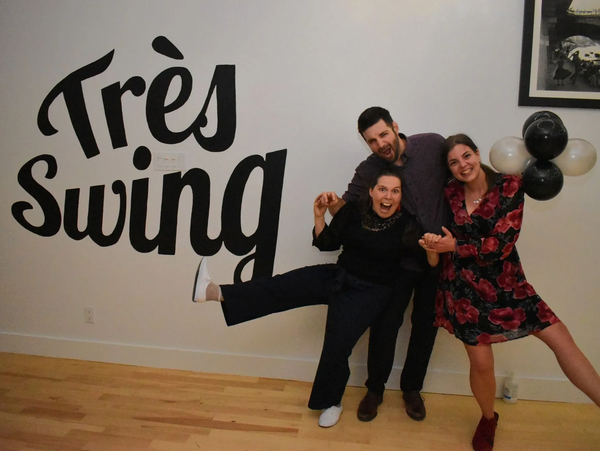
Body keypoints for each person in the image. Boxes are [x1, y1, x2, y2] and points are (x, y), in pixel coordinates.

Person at [193, 168, 438, 428]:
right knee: (282, 286)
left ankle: (332, 402)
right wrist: (319, 216)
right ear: (372, 192)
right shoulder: (353, 211)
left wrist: (433, 249)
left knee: (337, 344)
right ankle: (214, 292)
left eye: (395, 191)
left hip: (370, 292)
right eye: (383, 189)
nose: (388, 196)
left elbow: (428, 262)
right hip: (337, 275)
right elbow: (327, 243)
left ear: (400, 197)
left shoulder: (407, 225)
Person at [420, 133, 600, 451]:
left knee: (562, 339)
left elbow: (500, 245)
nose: (462, 165)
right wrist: (435, 245)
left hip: (508, 284)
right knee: (481, 363)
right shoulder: (449, 191)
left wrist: (455, 245)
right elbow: (437, 230)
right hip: (464, 290)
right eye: (454, 162)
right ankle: (488, 418)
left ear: (477, 154)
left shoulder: (510, 186)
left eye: (466, 156)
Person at [328, 106, 449, 422]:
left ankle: (411, 389)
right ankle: (375, 390)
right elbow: (346, 210)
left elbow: (464, 170)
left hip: (439, 258)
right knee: (385, 325)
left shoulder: (433, 145)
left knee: (425, 326)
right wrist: (330, 206)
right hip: (398, 261)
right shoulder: (369, 170)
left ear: (395, 127)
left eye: (383, 134)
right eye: (371, 140)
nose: (380, 143)